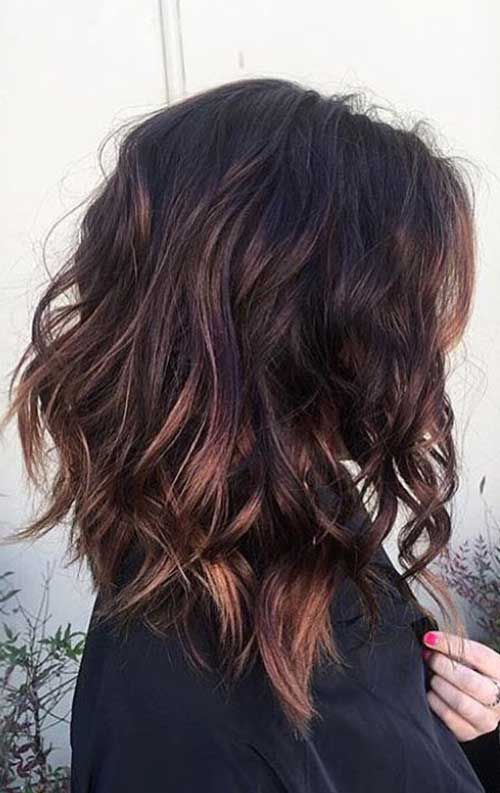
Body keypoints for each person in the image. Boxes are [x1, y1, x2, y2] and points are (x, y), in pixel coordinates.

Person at [2, 77, 499, 792]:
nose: (423, 345)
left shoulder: (301, 525)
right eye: (399, 303)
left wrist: (470, 734)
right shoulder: (179, 723)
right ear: (297, 325)